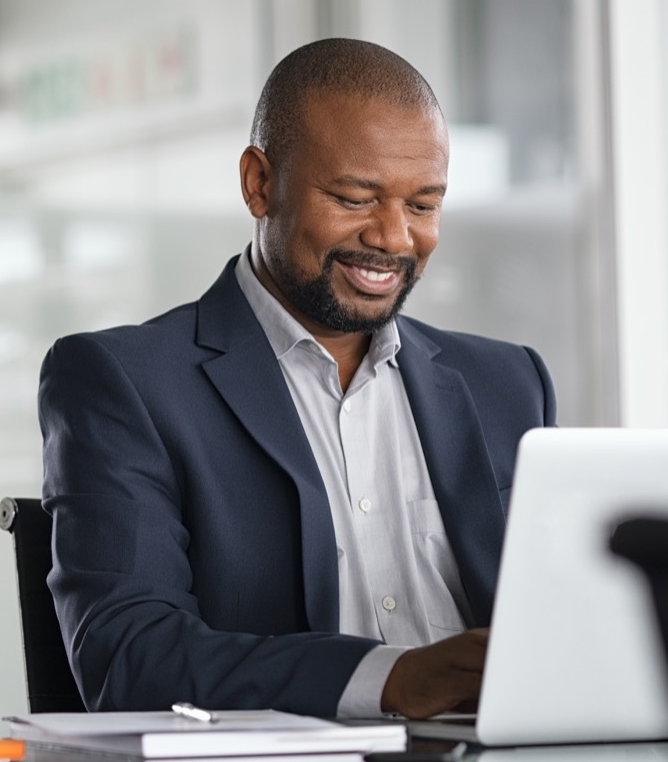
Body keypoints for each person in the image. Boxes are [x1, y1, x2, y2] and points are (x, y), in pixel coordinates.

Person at [37, 38, 556, 720]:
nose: (396, 238)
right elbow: (132, 655)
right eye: (354, 197)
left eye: (424, 205)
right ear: (259, 183)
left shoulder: (507, 382)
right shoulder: (125, 382)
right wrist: (391, 677)